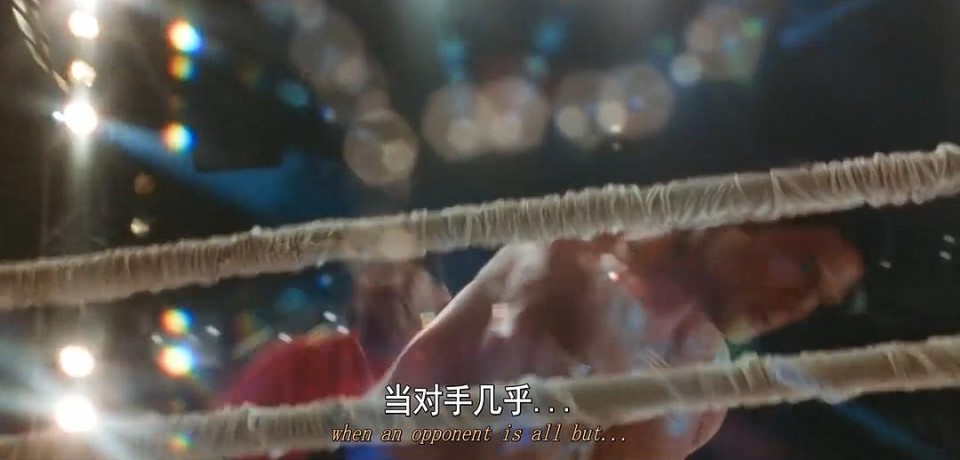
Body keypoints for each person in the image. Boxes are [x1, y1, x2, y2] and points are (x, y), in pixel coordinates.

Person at [380, 223, 865, 460]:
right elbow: (410, 412)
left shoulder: (707, 379)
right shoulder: (572, 258)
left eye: (819, 301)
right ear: (752, 221)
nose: (797, 306)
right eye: (804, 269)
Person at [217, 260, 451, 460]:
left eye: (407, 270)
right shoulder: (294, 364)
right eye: (376, 268)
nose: (388, 282)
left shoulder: (456, 380)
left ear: (442, 296)